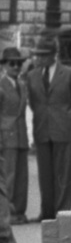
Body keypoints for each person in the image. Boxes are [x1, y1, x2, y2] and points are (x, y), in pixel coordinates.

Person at [26, 36, 71, 218]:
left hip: (64, 129)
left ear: (55, 54)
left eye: (44, 55)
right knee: (44, 175)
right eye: (38, 55)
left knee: (63, 175)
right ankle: (46, 212)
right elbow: (33, 103)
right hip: (42, 129)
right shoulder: (32, 75)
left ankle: (62, 214)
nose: (40, 58)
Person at [0, 47, 30, 223]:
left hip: (21, 135)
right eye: (12, 63)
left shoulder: (21, 85)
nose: (16, 66)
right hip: (6, 136)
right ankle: (7, 213)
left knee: (21, 177)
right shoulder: (1, 86)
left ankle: (19, 211)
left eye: (19, 63)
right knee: (8, 176)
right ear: (4, 65)